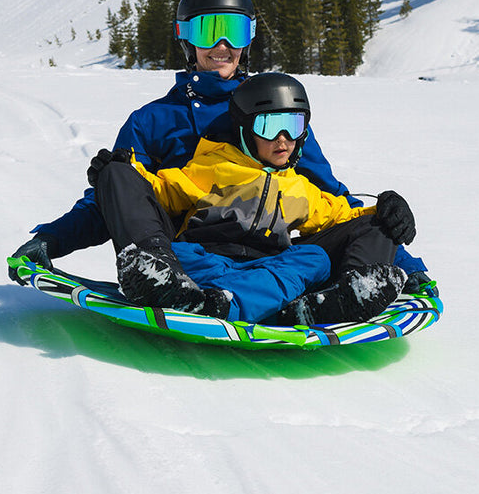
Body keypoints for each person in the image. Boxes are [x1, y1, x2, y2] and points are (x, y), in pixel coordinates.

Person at [8, 0, 428, 288]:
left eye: (236, 31)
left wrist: (399, 253)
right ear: (187, 39)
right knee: (117, 174)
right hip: (183, 256)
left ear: (249, 40)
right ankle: (156, 276)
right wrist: (52, 240)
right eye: (210, 31)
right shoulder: (152, 120)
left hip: (268, 252)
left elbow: (327, 195)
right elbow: (117, 200)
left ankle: (359, 286)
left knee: (368, 222)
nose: (223, 45)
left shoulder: (275, 111)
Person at [87, 72, 417, 326]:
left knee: (314, 258)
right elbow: (158, 192)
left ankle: (345, 296)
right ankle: (157, 276)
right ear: (245, 129)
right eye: (270, 126)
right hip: (204, 263)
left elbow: (344, 216)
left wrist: (386, 212)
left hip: (267, 270)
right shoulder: (212, 168)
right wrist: (119, 174)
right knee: (132, 193)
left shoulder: (300, 188)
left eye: (293, 125)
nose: (283, 140)